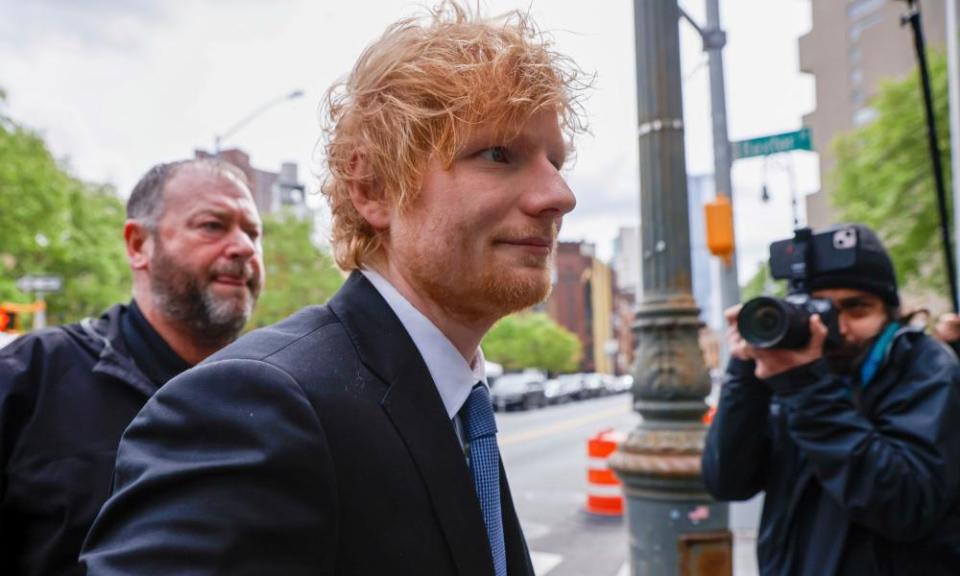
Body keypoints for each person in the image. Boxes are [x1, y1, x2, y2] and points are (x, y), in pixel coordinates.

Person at [81, 3, 585, 575]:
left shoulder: (458, 403)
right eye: (497, 154)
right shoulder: (254, 404)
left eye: (555, 160)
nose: (559, 194)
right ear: (371, 187)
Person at [0, 158, 264, 576]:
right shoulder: (27, 379)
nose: (245, 247)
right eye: (213, 225)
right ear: (139, 245)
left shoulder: (275, 398)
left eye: (253, 233)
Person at [703, 224, 960, 575]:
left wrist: (807, 391)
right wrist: (745, 374)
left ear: (889, 312)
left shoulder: (924, 366)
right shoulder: (786, 371)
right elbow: (727, 481)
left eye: (857, 309)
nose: (839, 328)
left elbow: (906, 505)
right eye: (822, 310)